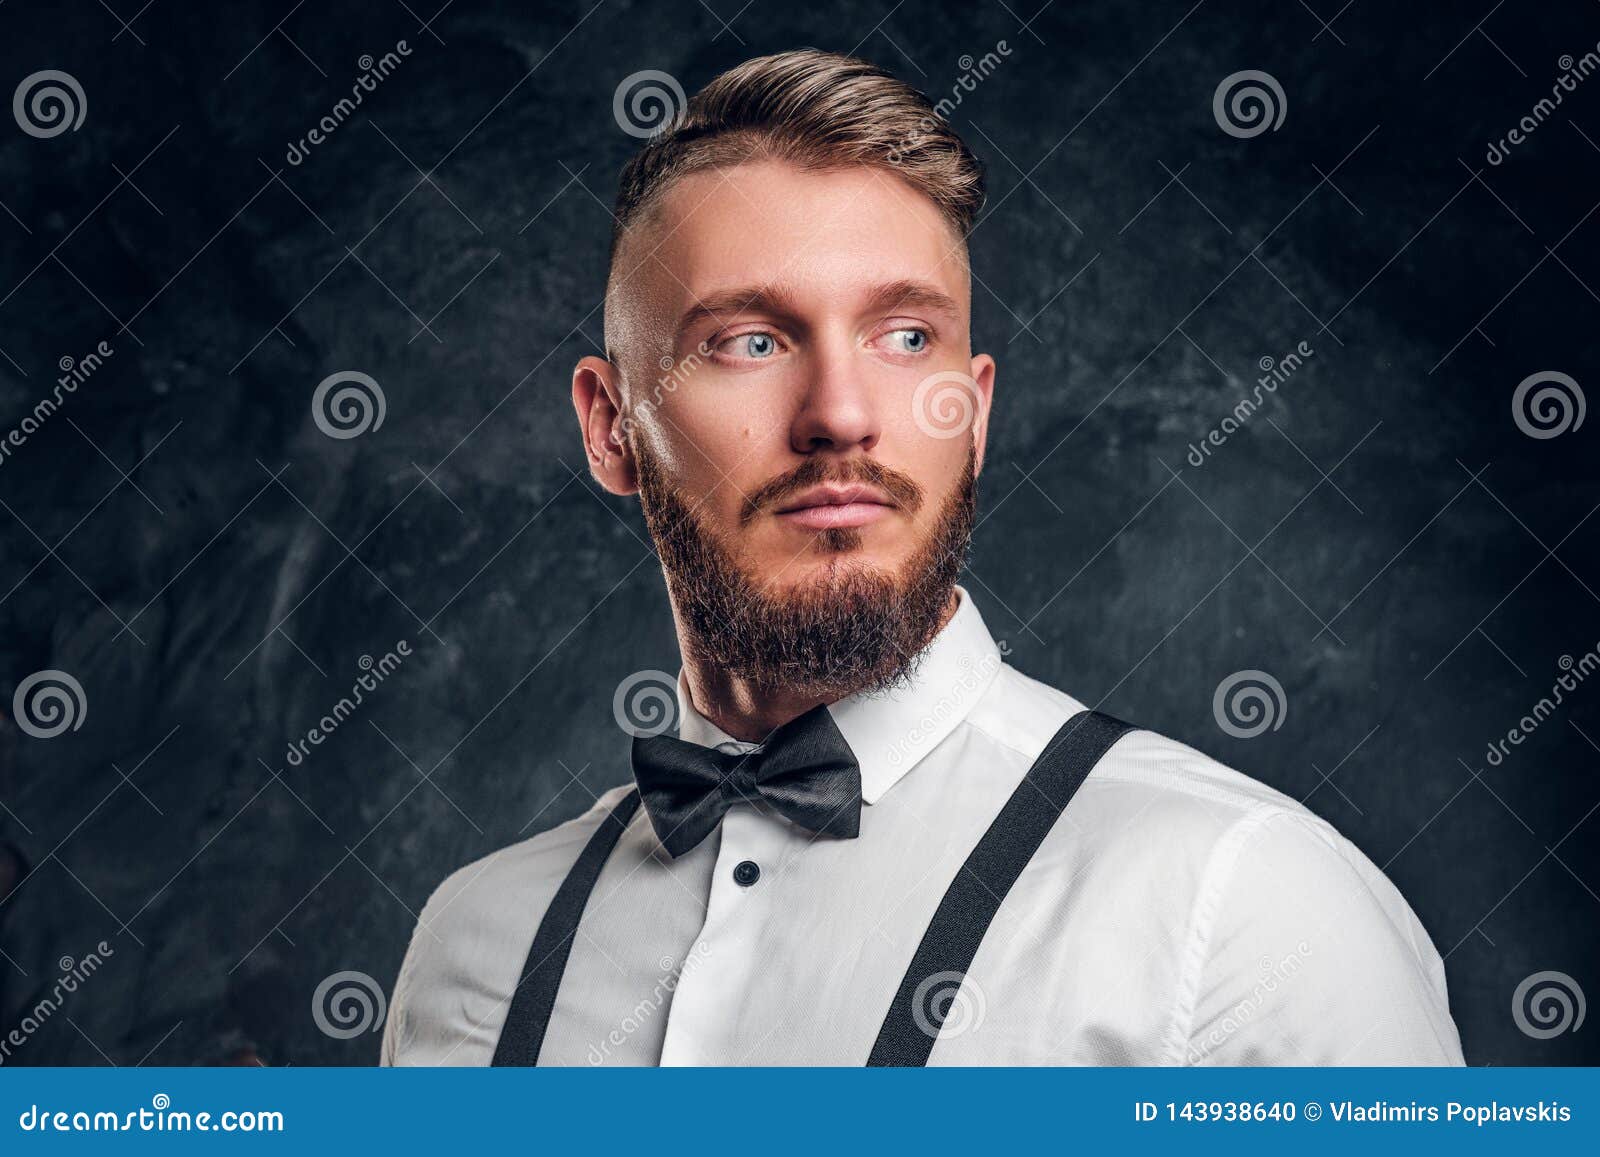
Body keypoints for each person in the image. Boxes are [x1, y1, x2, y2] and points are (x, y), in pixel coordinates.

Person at [382, 48, 1463, 1066]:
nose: (840, 416)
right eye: (749, 341)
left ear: (974, 412)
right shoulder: (474, 947)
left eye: (905, 337)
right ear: (611, 425)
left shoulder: (1243, 906)